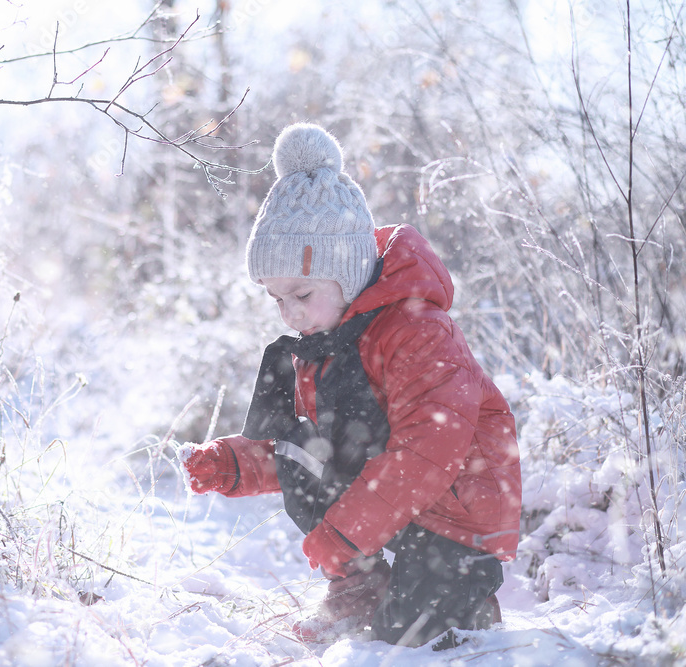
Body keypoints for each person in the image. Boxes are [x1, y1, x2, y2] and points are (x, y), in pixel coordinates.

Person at [179, 123, 522, 649]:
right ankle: (362, 583)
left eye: (301, 293)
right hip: (394, 500)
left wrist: (348, 529)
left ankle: (465, 597)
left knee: (410, 637)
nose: (290, 313)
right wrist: (234, 463)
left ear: (348, 269)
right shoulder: (325, 343)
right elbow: (316, 446)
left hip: (452, 511)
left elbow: (430, 449)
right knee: (301, 449)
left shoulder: (418, 331)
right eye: (277, 300)